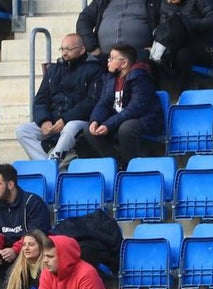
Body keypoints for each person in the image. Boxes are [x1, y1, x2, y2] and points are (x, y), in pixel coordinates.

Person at [75, 45, 164, 171]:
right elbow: (104, 103)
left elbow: (135, 108)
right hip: (121, 120)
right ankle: (119, 164)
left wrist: (109, 124)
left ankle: (134, 167)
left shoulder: (139, 77)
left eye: (112, 58)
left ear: (124, 63)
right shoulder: (111, 78)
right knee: (89, 131)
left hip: (146, 119)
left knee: (126, 128)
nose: (108, 61)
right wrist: (95, 120)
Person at [16, 34, 102, 162]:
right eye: (62, 49)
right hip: (53, 120)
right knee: (23, 131)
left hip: (80, 121)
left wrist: (65, 119)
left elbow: (91, 102)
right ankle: (48, 165)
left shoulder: (94, 69)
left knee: (70, 127)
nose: (64, 53)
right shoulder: (54, 70)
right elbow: (40, 100)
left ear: (82, 50)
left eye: (69, 49)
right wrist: (43, 120)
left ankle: (53, 162)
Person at [0, 164, 52, 284]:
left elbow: (37, 235)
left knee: (14, 269)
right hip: (4, 253)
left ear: (10, 184)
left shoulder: (33, 203)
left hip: (27, 252)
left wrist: (15, 250)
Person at [152, 0, 213, 95]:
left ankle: (183, 95)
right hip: (175, 47)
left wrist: (187, 24)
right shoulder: (163, 3)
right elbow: (161, 28)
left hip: (201, 47)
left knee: (181, 53)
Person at [75, 0, 159, 59]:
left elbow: (165, 25)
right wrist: (92, 47)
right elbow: (84, 20)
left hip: (139, 58)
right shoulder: (102, 1)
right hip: (103, 58)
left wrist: (155, 49)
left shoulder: (154, 2)